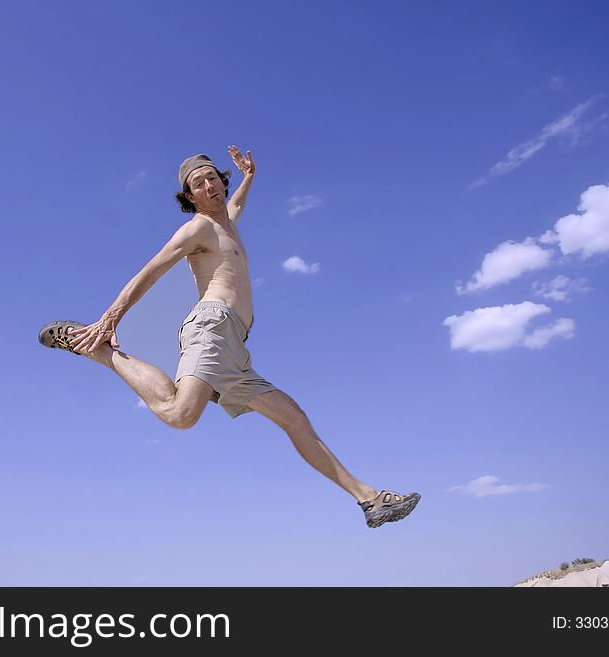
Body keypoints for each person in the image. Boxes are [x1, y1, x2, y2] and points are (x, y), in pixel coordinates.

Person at [38, 146, 420, 528]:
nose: (209, 186)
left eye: (213, 178)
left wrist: (250, 176)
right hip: (212, 325)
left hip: (235, 345)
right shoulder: (199, 228)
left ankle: (370, 499)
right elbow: (151, 271)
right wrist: (110, 318)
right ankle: (105, 354)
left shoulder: (228, 223)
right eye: (198, 183)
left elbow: (235, 205)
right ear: (191, 198)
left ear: (222, 182)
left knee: (294, 418)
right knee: (180, 414)